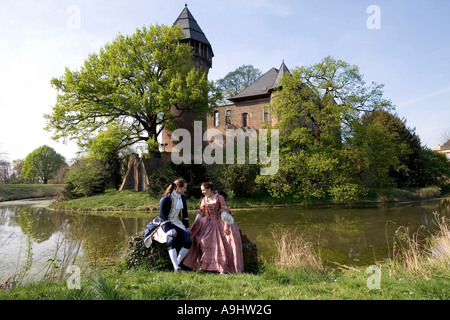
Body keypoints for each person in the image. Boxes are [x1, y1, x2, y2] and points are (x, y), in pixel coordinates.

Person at [183, 182, 244, 274]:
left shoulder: (219, 197)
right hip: (209, 222)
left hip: (220, 221)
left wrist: (226, 225)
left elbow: (224, 210)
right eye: (201, 190)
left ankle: (223, 267)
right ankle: (207, 266)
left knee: (225, 241)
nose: (202, 192)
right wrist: (195, 222)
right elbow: (201, 211)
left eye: (204, 190)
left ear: (209, 189)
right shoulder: (204, 199)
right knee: (202, 240)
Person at [143, 178, 192, 271]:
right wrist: (170, 229)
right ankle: (176, 267)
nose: (185, 190)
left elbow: (185, 214)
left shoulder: (182, 198)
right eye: (184, 188)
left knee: (188, 241)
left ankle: (177, 263)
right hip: (164, 223)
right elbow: (162, 216)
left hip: (177, 222)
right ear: (178, 187)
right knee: (171, 240)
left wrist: (187, 227)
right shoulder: (165, 198)